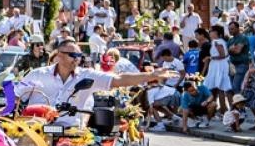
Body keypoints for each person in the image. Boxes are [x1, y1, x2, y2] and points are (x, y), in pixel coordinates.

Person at [16, 39, 174, 116]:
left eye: (79, 55)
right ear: (58, 55)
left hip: (71, 135)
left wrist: (150, 75)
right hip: (37, 133)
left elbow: (119, 80)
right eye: (73, 55)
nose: (77, 58)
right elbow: (15, 93)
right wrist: (7, 109)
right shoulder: (38, 74)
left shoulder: (87, 75)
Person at [201, 25, 232, 109]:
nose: (209, 33)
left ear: (216, 32)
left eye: (211, 31)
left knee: (221, 88)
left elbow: (222, 55)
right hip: (219, 64)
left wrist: (209, 57)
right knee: (220, 88)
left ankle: (225, 109)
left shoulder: (217, 42)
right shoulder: (220, 41)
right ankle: (223, 109)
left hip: (219, 65)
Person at [226, 22, 253, 94]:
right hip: (232, 65)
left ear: (238, 28)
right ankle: (236, 104)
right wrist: (231, 49)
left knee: (236, 86)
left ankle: (240, 104)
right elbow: (226, 52)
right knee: (231, 87)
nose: (230, 31)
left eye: (232, 29)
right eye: (229, 29)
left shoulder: (243, 38)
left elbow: (238, 51)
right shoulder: (230, 40)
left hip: (241, 64)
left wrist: (231, 49)